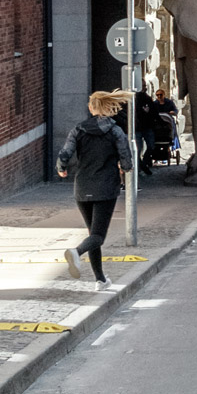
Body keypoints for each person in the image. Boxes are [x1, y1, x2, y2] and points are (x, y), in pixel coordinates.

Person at [58, 92, 134, 285]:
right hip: (105, 186)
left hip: (82, 187)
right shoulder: (115, 131)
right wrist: (125, 168)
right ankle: (76, 252)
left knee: (93, 233)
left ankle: (100, 280)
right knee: (98, 235)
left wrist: (62, 168)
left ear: (92, 108)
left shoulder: (78, 129)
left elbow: (66, 152)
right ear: (107, 107)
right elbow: (125, 157)